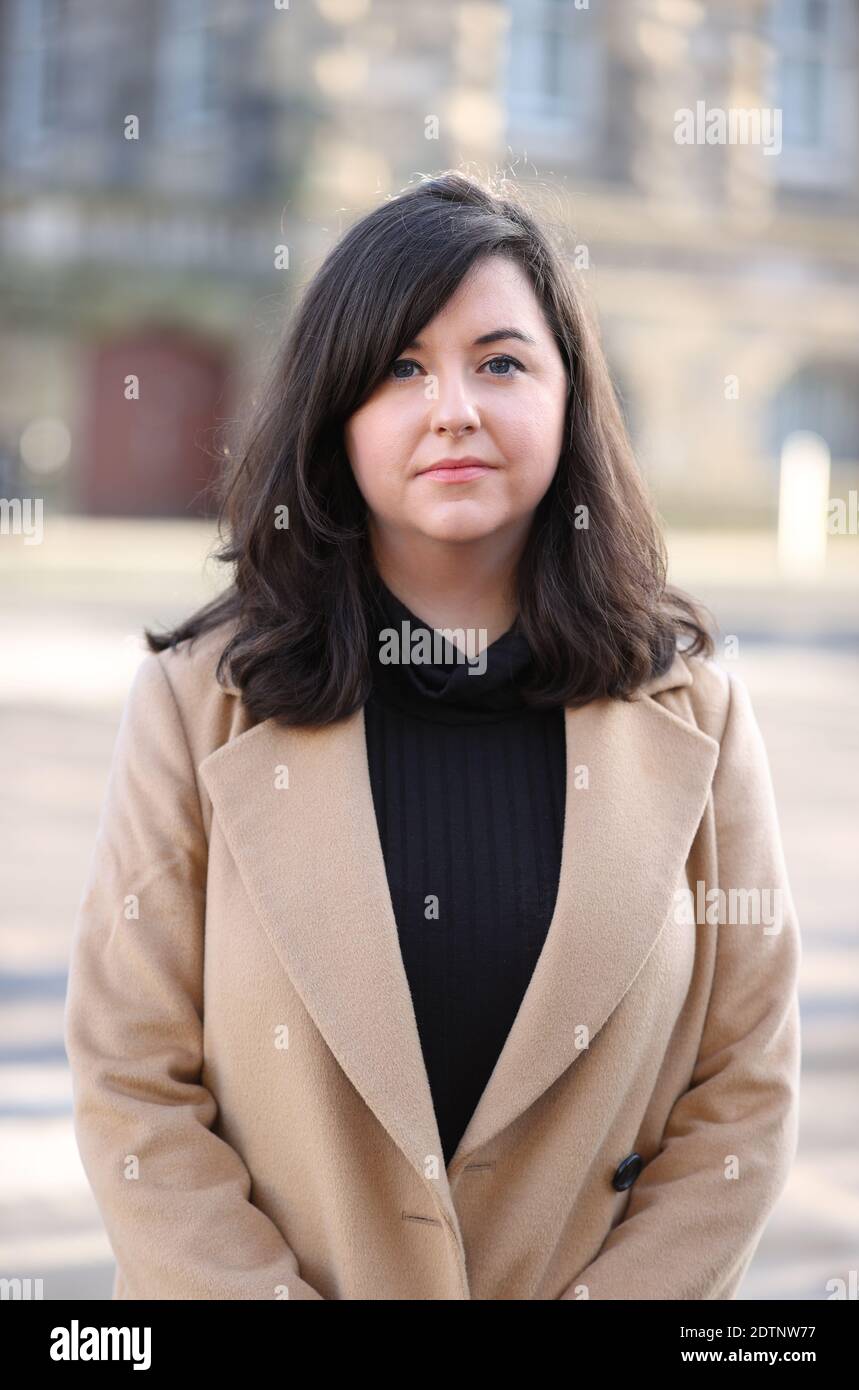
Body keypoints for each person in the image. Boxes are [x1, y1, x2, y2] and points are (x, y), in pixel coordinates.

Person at [64, 170, 801, 1300]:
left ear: (568, 397)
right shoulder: (197, 699)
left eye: (500, 362)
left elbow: (740, 1091)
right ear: (335, 412)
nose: (451, 405)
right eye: (400, 367)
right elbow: (133, 1085)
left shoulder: (692, 704)